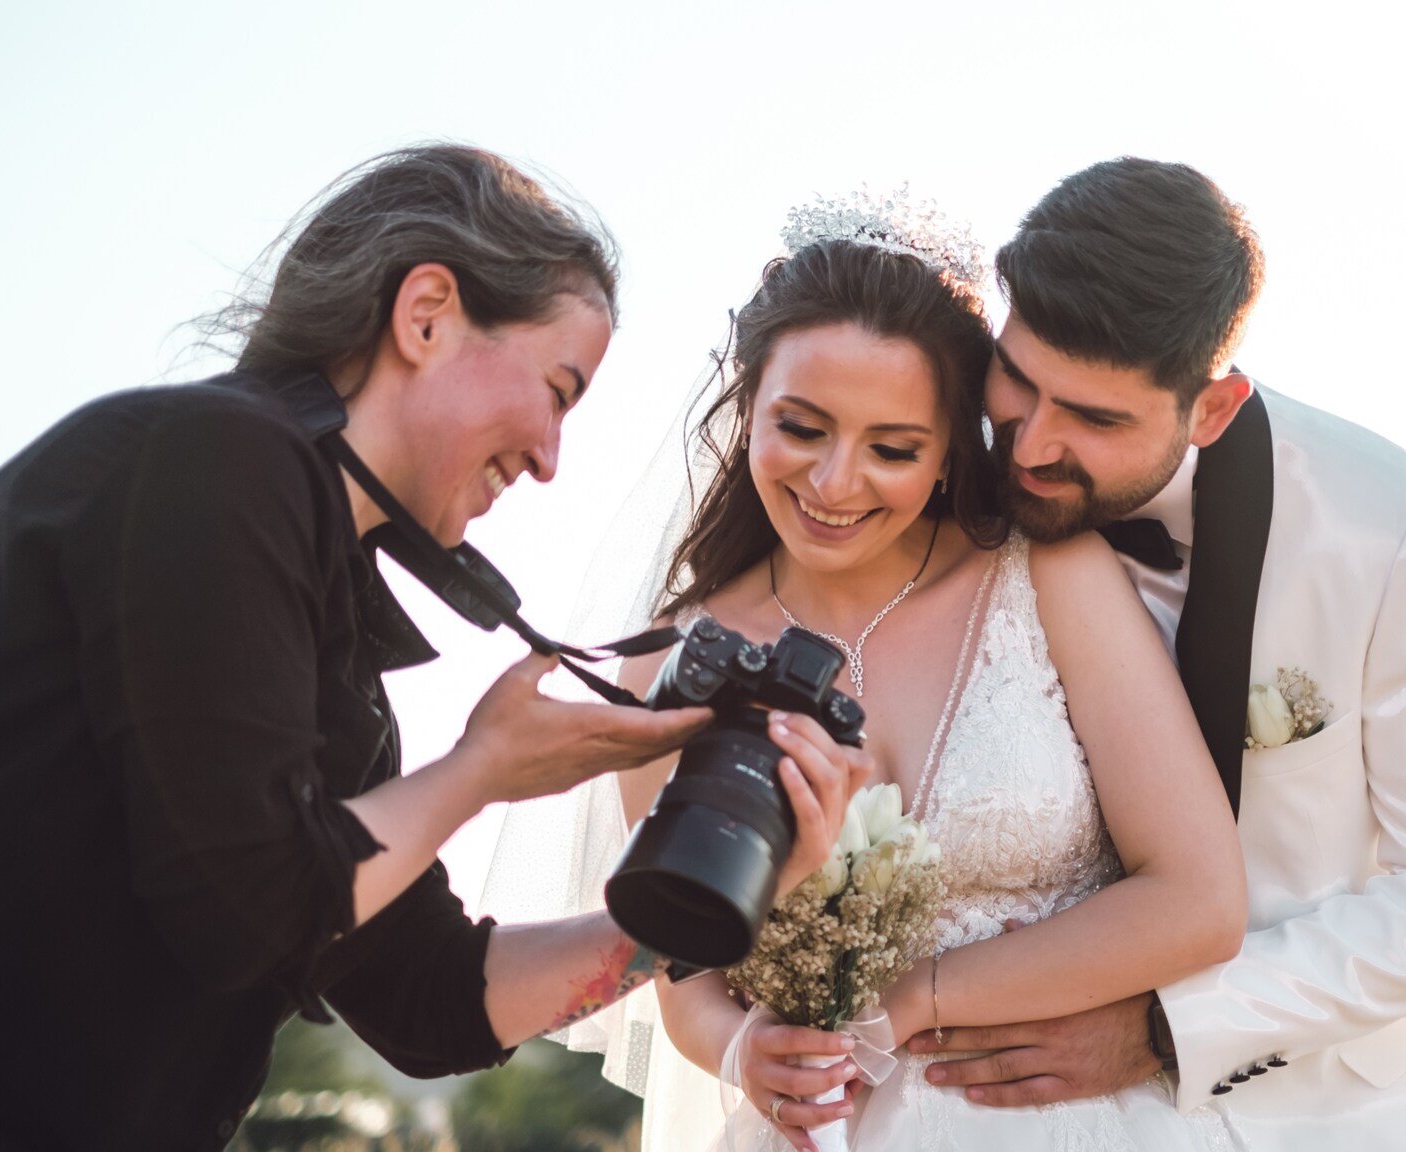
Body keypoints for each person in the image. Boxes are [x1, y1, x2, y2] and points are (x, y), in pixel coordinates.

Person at [0, 145, 863, 1151]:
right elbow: (245, 914)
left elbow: (434, 1003)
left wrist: (715, 903)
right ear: (425, 314)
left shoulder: (323, 626)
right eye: (556, 389)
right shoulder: (213, 459)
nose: (550, 459)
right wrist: (480, 773)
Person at [480, 190, 1250, 1152]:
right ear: (746, 405)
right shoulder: (674, 665)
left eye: (893, 449)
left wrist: (908, 1004)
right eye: (800, 428)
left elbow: (1199, 900)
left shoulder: (1047, 576)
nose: (835, 485)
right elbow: (683, 972)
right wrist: (739, 1050)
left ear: (948, 452)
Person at [904, 157, 1406, 1150]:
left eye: (1095, 419)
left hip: (1338, 1117)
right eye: (1021, 381)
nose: (1030, 447)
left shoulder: (1389, 529)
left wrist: (1174, 1026)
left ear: (1210, 408)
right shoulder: (921, 471)